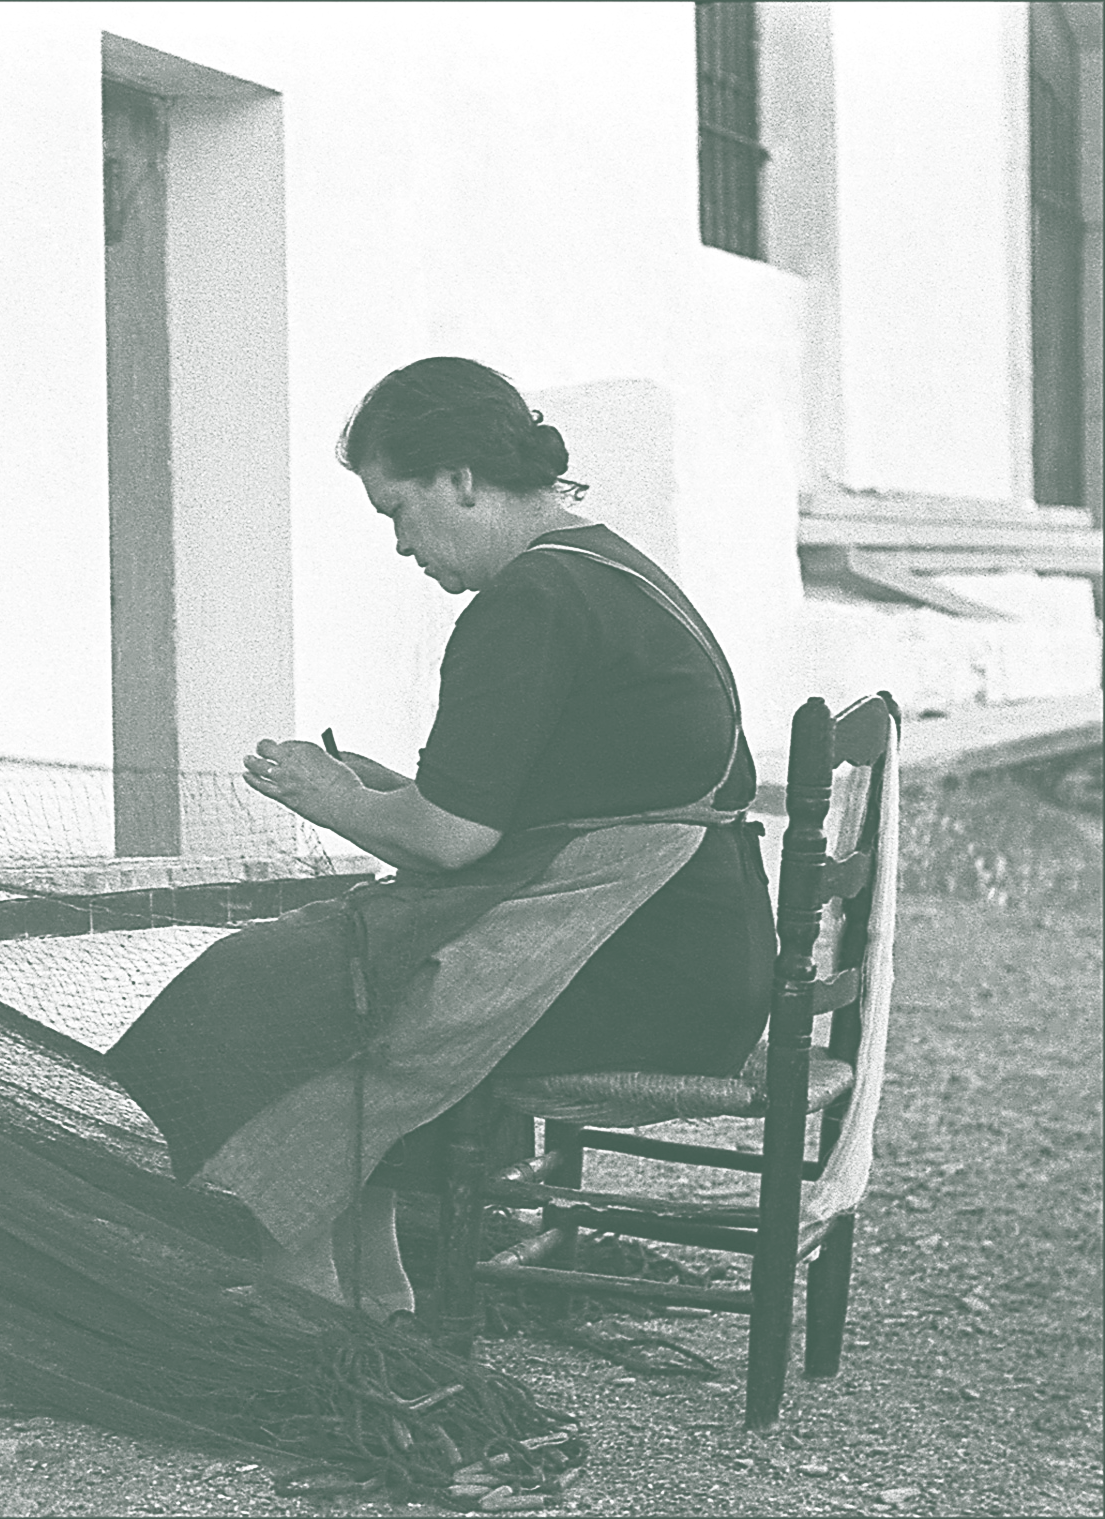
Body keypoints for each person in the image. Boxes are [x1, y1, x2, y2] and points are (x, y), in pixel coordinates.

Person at [109, 356, 772, 1319]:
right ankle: (375, 1280)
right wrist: (389, 792)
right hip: (699, 950)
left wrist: (326, 794)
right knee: (337, 965)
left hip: (640, 975)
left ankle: (297, 1286)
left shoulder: (527, 601)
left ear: (461, 479)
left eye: (397, 511)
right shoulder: (603, 568)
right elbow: (539, 800)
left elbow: (454, 839)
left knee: (279, 987)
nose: (399, 546)